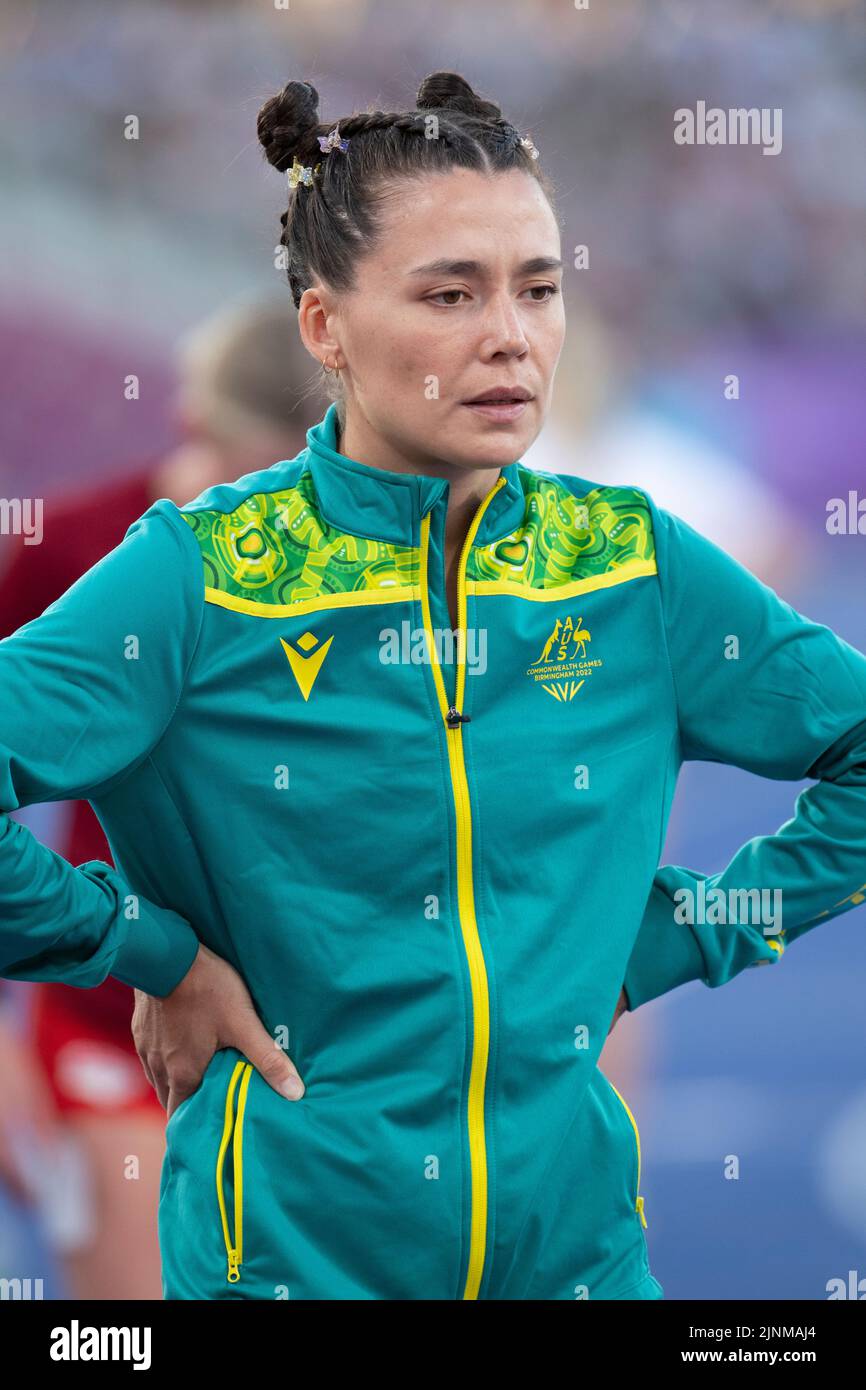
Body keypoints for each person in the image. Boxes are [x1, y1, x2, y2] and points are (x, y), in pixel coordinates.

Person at [2, 71, 865, 1301]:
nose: (510, 332)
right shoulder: (200, 579)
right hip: (286, 1272)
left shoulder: (633, 562)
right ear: (324, 328)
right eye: (450, 292)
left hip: (581, 1271)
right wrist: (143, 950)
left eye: (538, 287)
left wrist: (678, 939)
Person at [0, 301, 322, 1298]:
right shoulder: (75, 547)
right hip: (112, 1031)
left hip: (330, 1054)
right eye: (207, 444)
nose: (195, 475)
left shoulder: (391, 569)